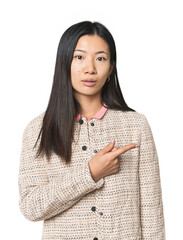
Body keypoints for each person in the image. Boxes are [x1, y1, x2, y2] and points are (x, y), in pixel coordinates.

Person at [18, 21, 166, 239]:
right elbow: (31, 207)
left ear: (111, 68)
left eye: (100, 58)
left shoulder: (136, 126)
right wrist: (89, 173)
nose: (90, 68)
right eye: (79, 57)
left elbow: (152, 213)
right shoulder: (38, 130)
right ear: (64, 63)